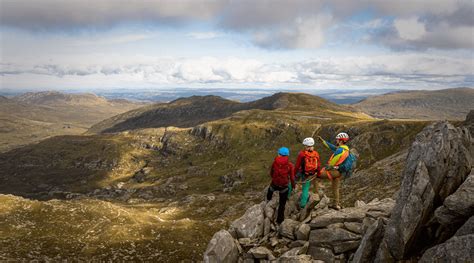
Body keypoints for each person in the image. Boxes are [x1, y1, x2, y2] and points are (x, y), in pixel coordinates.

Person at [317, 132, 351, 210]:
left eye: (337, 140)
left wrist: (327, 167)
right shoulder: (345, 149)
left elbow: (332, 162)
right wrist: (323, 141)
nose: (336, 141)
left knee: (316, 175)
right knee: (335, 188)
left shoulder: (340, 150)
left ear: (341, 141)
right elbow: (332, 147)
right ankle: (335, 204)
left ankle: (316, 198)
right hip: (339, 172)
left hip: (334, 171)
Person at [267, 147, 295, 224]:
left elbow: (271, 172)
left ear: (279, 154)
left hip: (275, 183)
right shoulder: (290, 165)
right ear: (287, 155)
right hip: (284, 186)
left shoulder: (275, 162)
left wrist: (274, 178)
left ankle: (268, 199)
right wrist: (293, 186)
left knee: (270, 189)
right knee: (282, 204)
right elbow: (292, 178)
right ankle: (280, 220)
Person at [294, 137, 321, 208]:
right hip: (310, 174)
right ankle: (302, 205)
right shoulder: (316, 154)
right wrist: (318, 174)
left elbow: (297, 166)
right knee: (305, 189)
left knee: (291, 181)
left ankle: (287, 195)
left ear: (306, 146)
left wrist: (293, 174)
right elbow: (318, 166)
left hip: (302, 172)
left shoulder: (302, 154)